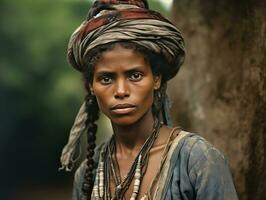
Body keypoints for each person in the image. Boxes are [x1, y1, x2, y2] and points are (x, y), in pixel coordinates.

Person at [60, 0, 238, 199]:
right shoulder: (88, 173)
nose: (121, 91)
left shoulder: (198, 161)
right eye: (106, 78)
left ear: (156, 79)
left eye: (135, 75)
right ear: (92, 86)